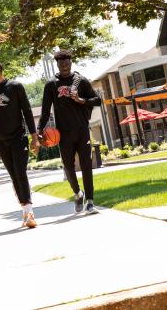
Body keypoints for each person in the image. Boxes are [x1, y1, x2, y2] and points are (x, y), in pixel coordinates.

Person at [38, 49, 101, 215]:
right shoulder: (51, 84)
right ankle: (78, 194)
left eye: (67, 62)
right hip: (63, 133)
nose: (64, 65)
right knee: (68, 167)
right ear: (57, 64)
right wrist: (39, 130)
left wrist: (81, 100)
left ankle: (90, 202)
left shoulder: (81, 81)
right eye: (61, 63)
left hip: (82, 130)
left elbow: (97, 100)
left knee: (87, 165)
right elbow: (45, 110)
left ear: (71, 62)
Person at [0, 59, 40, 228]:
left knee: (20, 172)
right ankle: (25, 210)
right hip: (0, 139)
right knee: (13, 175)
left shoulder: (15, 87)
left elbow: (27, 111)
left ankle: (29, 212)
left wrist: (34, 137)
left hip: (18, 137)